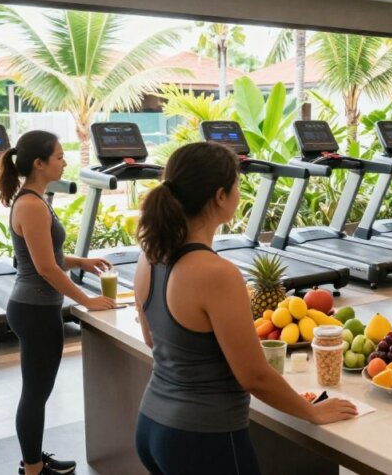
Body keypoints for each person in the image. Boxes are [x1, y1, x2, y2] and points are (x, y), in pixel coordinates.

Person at [133, 142, 356, 474]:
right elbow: (253, 375)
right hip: (204, 438)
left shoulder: (149, 256)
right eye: (237, 185)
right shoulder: (216, 273)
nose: (240, 193)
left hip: (153, 426)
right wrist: (312, 411)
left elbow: (154, 340)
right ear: (220, 196)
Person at [0, 131, 117, 475]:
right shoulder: (32, 205)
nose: (65, 162)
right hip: (34, 310)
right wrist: (87, 301)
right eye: (60, 157)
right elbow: (45, 267)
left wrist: (82, 263)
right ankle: (33, 469)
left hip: (36, 307)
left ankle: (32, 458)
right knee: (35, 394)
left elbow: (49, 257)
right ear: (39, 163)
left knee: (38, 392)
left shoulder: (37, 199)